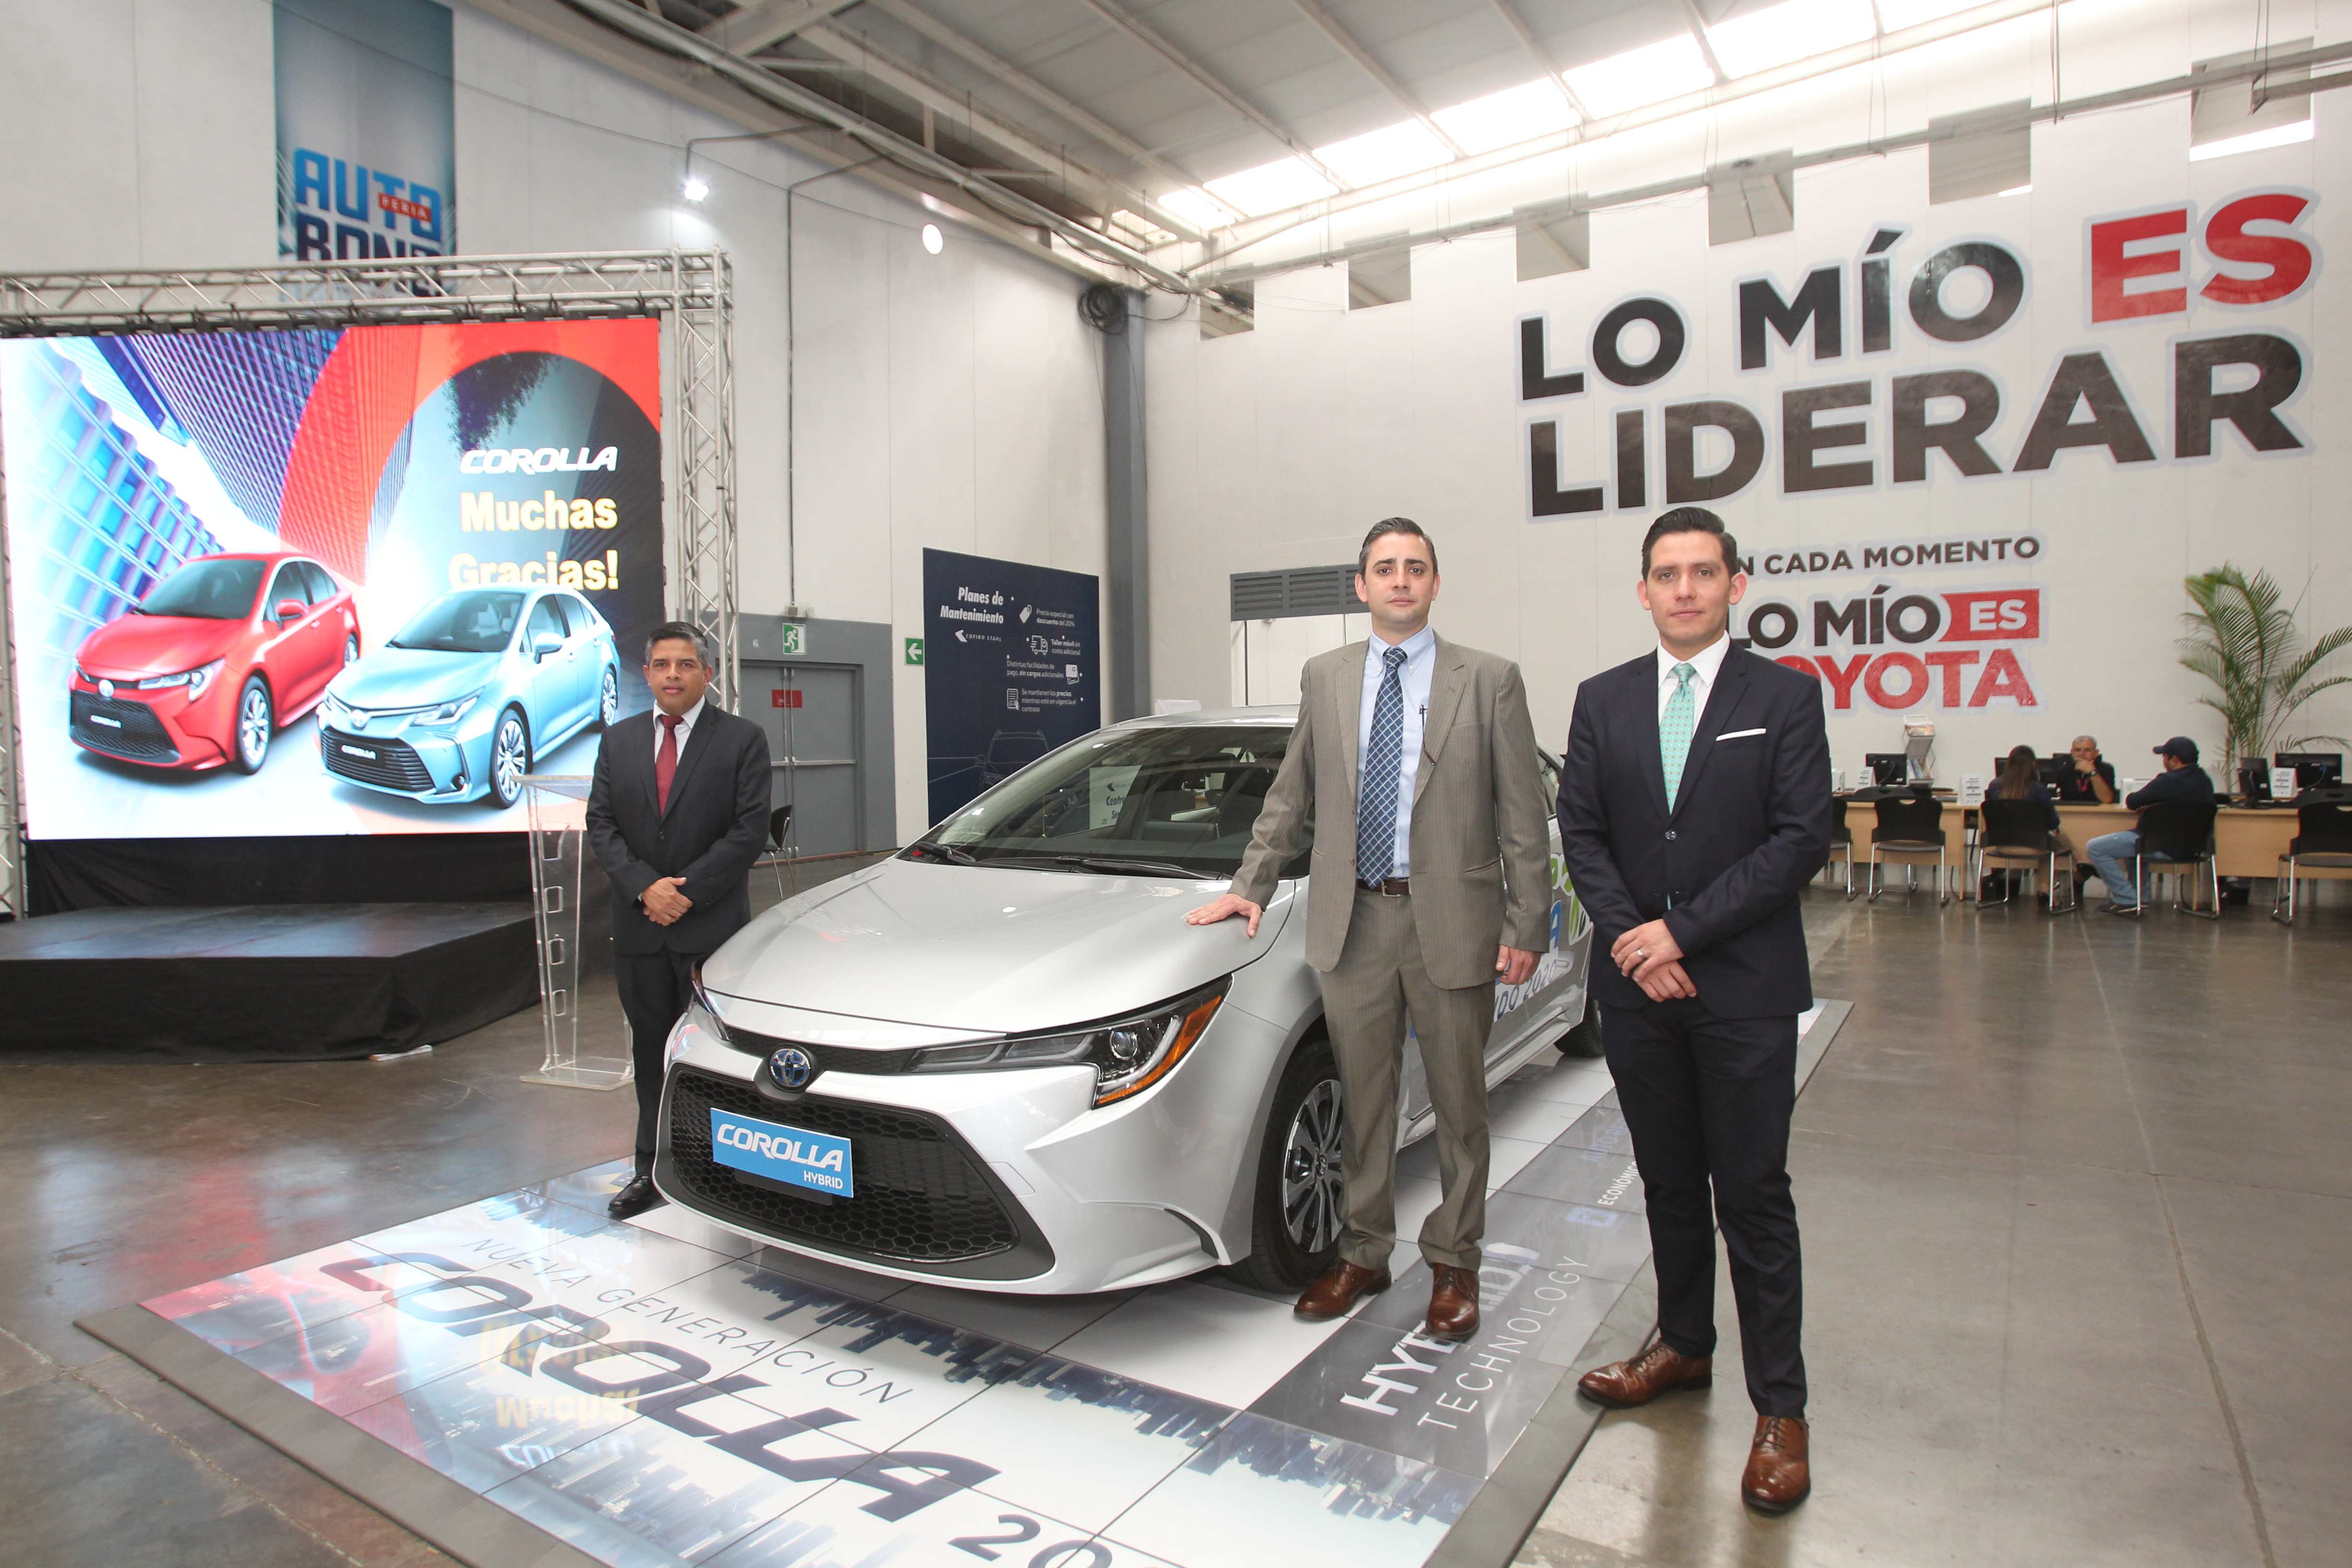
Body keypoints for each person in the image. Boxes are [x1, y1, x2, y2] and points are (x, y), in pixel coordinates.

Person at [1186, 518, 1550, 1344]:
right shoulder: (1326, 676)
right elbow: (1290, 794)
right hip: (1352, 919)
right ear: (1361, 585)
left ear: (1434, 582)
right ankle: (1364, 1249)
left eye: (1414, 567)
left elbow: (1523, 815)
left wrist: (1527, 919)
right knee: (1365, 1097)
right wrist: (1250, 886)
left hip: (1451, 919)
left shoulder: (1488, 679)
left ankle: (1455, 1261)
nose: (1399, 580)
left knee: (1460, 1102)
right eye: (1384, 568)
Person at [1554, 505, 1832, 1515]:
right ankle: (1681, 1345)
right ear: (1642, 589)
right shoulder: (1604, 699)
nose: (1683, 589)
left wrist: (1683, 935)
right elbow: (1581, 830)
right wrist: (1636, 939)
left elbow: (1801, 839)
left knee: (1752, 1196)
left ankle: (1781, 1410)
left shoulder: (1786, 699)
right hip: (1638, 992)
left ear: (1733, 585)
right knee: (1670, 1182)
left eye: (1702, 572)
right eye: (1666, 573)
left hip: (1744, 990)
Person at [586, 623, 772, 1219]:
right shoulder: (617, 743)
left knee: (719, 1059)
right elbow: (602, 825)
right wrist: (646, 888)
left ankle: (727, 1172)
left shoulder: (743, 740)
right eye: (662, 664)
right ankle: (651, 1169)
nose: (673, 674)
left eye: (686, 665)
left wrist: (682, 894)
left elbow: (748, 832)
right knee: (650, 1053)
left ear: (707, 674)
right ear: (647, 674)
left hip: (709, 932)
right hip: (641, 931)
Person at [2082, 736, 2216, 915]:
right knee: (2132, 852)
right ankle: (2139, 898)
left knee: (2096, 848)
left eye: (2165, 757)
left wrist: (2151, 806)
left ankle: (2126, 899)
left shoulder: (2168, 781)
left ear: (2174, 760)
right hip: (2193, 848)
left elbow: (2133, 801)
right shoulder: (2204, 781)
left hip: (2160, 845)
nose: (2164, 761)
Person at [1983, 743, 2066, 900]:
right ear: (2034, 765)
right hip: (2034, 847)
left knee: (2046, 841)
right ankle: (2047, 889)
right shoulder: (2038, 789)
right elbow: (2053, 823)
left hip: (2001, 845)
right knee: (2051, 842)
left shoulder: (1995, 786)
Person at [2055, 735, 2119, 803]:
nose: (2082, 754)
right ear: (2072, 752)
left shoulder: (2106, 769)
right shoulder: (2064, 770)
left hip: (2098, 812)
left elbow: (2107, 799)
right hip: (2070, 811)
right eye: (2078, 750)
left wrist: (2093, 772)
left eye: (2087, 750)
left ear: (2096, 753)